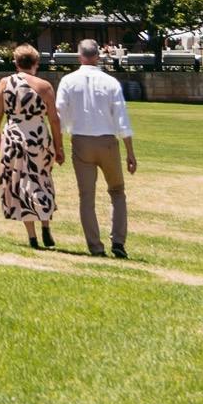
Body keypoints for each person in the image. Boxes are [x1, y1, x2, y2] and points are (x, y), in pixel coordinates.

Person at [55, 38, 137, 258]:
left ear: (79, 56)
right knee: (117, 191)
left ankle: (95, 246)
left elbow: (60, 114)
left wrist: (58, 145)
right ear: (98, 56)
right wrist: (130, 151)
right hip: (107, 141)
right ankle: (118, 241)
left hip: (81, 141)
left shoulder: (68, 81)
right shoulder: (110, 82)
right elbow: (121, 117)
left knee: (86, 197)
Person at [0, 44, 62, 249]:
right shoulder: (44, 86)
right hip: (37, 136)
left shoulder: (5, 83)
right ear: (36, 63)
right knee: (41, 180)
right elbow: (54, 119)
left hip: (13, 136)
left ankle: (32, 236)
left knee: (19, 183)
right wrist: (58, 147)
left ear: (16, 62)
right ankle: (45, 225)